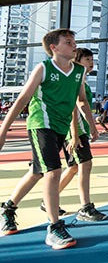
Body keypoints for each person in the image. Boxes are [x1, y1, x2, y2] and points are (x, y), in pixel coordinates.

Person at [0, 28, 93, 248]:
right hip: (40, 125)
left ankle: (8, 208)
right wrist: (3, 130)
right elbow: (23, 99)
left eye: (74, 41)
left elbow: (81, 101)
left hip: (60, 127)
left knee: (37, 172)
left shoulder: (78, 71)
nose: (74, 46)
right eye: (69, 42)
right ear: (54, 47)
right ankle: (54, 227)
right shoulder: (43, 68)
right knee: (54, 170)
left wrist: (91, 125)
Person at [43, 48, 106, 222]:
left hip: (79, 129)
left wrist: (93, 126)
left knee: (74, 167)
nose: (91, 62)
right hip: (74, 130)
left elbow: (84, 106)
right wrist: (74, 134)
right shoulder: (74, 81)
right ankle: (85, 207)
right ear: (77, 62)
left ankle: (47, 199)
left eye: (92, 59)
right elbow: (72, 109)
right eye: (87, 59)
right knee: (85, 164)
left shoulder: (83, 83)